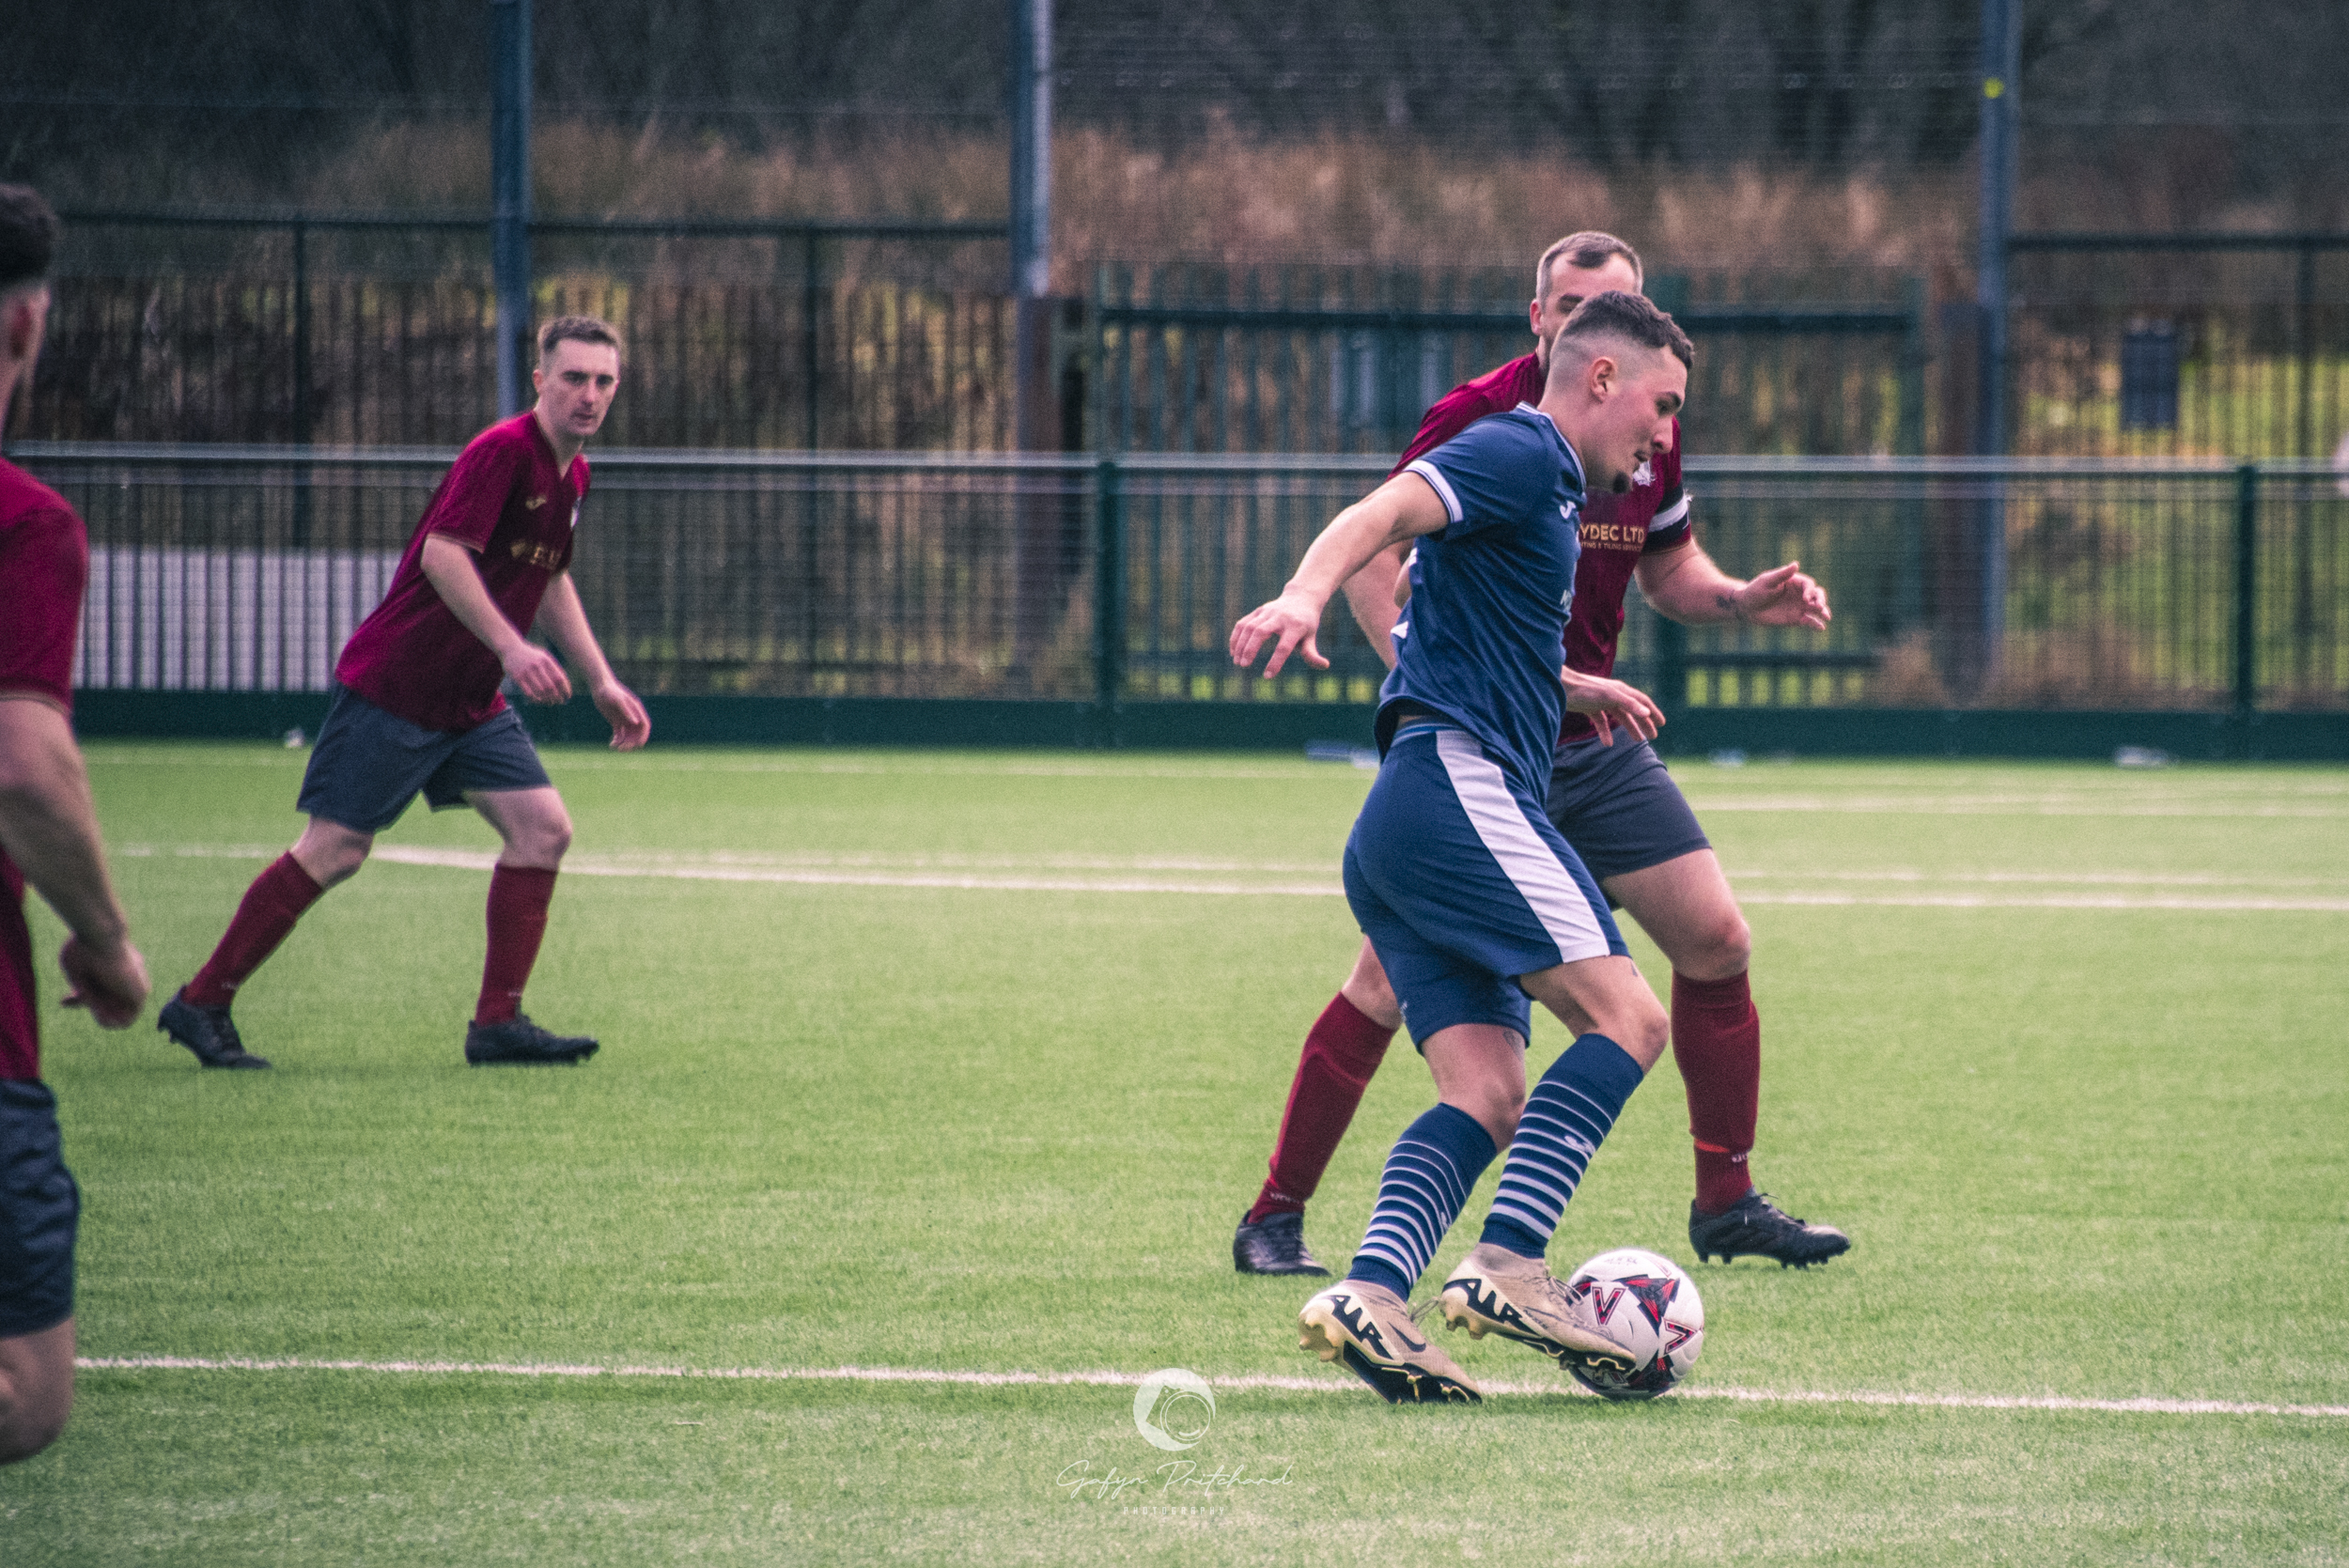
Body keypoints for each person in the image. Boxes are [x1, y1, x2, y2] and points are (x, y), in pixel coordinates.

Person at [1232, 232, 1850, 1280]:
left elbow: (1667, 567)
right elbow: (1381, 539)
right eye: (1571, 303)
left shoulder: (1626, 436)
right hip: (1471, 765)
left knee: (1693, 952)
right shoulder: (1503, 433)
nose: (1662, 432)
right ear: (1553, 327)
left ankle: (1712, 1201)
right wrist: (1423, 678)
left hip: (1570, 744)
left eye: (1611, 302)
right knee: (1579, 1015)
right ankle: (1342, 1226)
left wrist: (1719, 609)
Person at [1232, 289, 1691, 1404]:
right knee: (1631, 1019)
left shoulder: (1540, 490)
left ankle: (1373, 1293)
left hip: (1403, 818)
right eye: (1661, 404)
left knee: (1486, 1092)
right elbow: (1378, 514)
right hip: (1457, 790)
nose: (1665, 435)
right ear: (1598, 379)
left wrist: (1574, 684)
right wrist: (1302, 590)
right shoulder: (1522, 451)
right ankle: (1508, 1262)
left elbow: (1465, 623)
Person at [158, 317, 651, 1069]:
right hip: (400, 685)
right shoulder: (503, 452)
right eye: (575, 377)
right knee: (337, 849)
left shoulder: (572, 474)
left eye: (603, 380)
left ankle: (497, 1024)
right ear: (541, 380)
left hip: (470, 700)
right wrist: (513, 647)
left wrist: (601, 679)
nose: (589, 394)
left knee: (543, 829)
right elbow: (443, 555)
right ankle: (202, 1000)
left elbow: (548, 575)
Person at [0, 184, 153, 1464]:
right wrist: (104, 941)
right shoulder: (24, 524)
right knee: (29, 1398)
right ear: (30, 325)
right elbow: (25, 763)